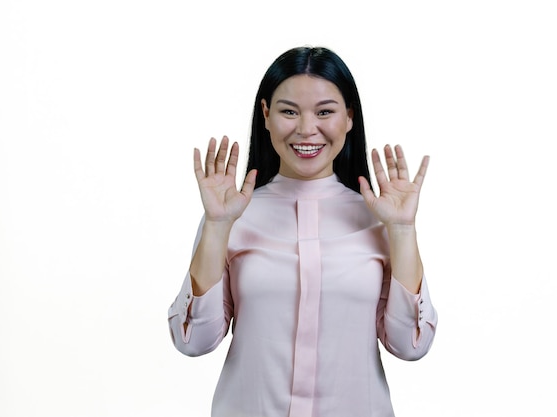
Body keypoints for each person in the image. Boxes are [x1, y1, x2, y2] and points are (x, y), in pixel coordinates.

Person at [168, 46, 438, 417]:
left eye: (325, 112)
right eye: (289, 111)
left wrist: (403, 231)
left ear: (349, 118)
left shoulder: (380, 218)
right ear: (266, 114)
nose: (306, 129)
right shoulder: (232, 214)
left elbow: (411, 345)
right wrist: (216, 225)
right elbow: (193, 341)